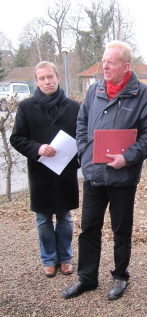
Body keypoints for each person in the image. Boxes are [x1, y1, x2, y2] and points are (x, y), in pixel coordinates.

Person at [62, 40, 147, 300]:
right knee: (89, 228)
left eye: (111, 62)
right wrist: (83, 151)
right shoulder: (95, 90)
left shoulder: (143, 95)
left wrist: (127, 157)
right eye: (104, 60)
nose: (104, 66)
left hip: (122, 177)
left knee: (121, 230)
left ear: (126, 66)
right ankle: (87, 278)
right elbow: (81, 122)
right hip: (94, 175)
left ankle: (119, 276)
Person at [10, 61, 80, 278]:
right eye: (42, 78)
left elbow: (83, 138)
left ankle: (65, 258)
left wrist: (75, 159)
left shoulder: (73, 107)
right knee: (42, 219)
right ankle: (49, 258)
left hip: (65, 172)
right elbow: (17, 138)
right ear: (36, 82)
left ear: (58, 78)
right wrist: (37, 148)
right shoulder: (26, 107)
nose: (47, 81)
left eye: (50, 77)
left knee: (65, 218)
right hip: (40, 173)